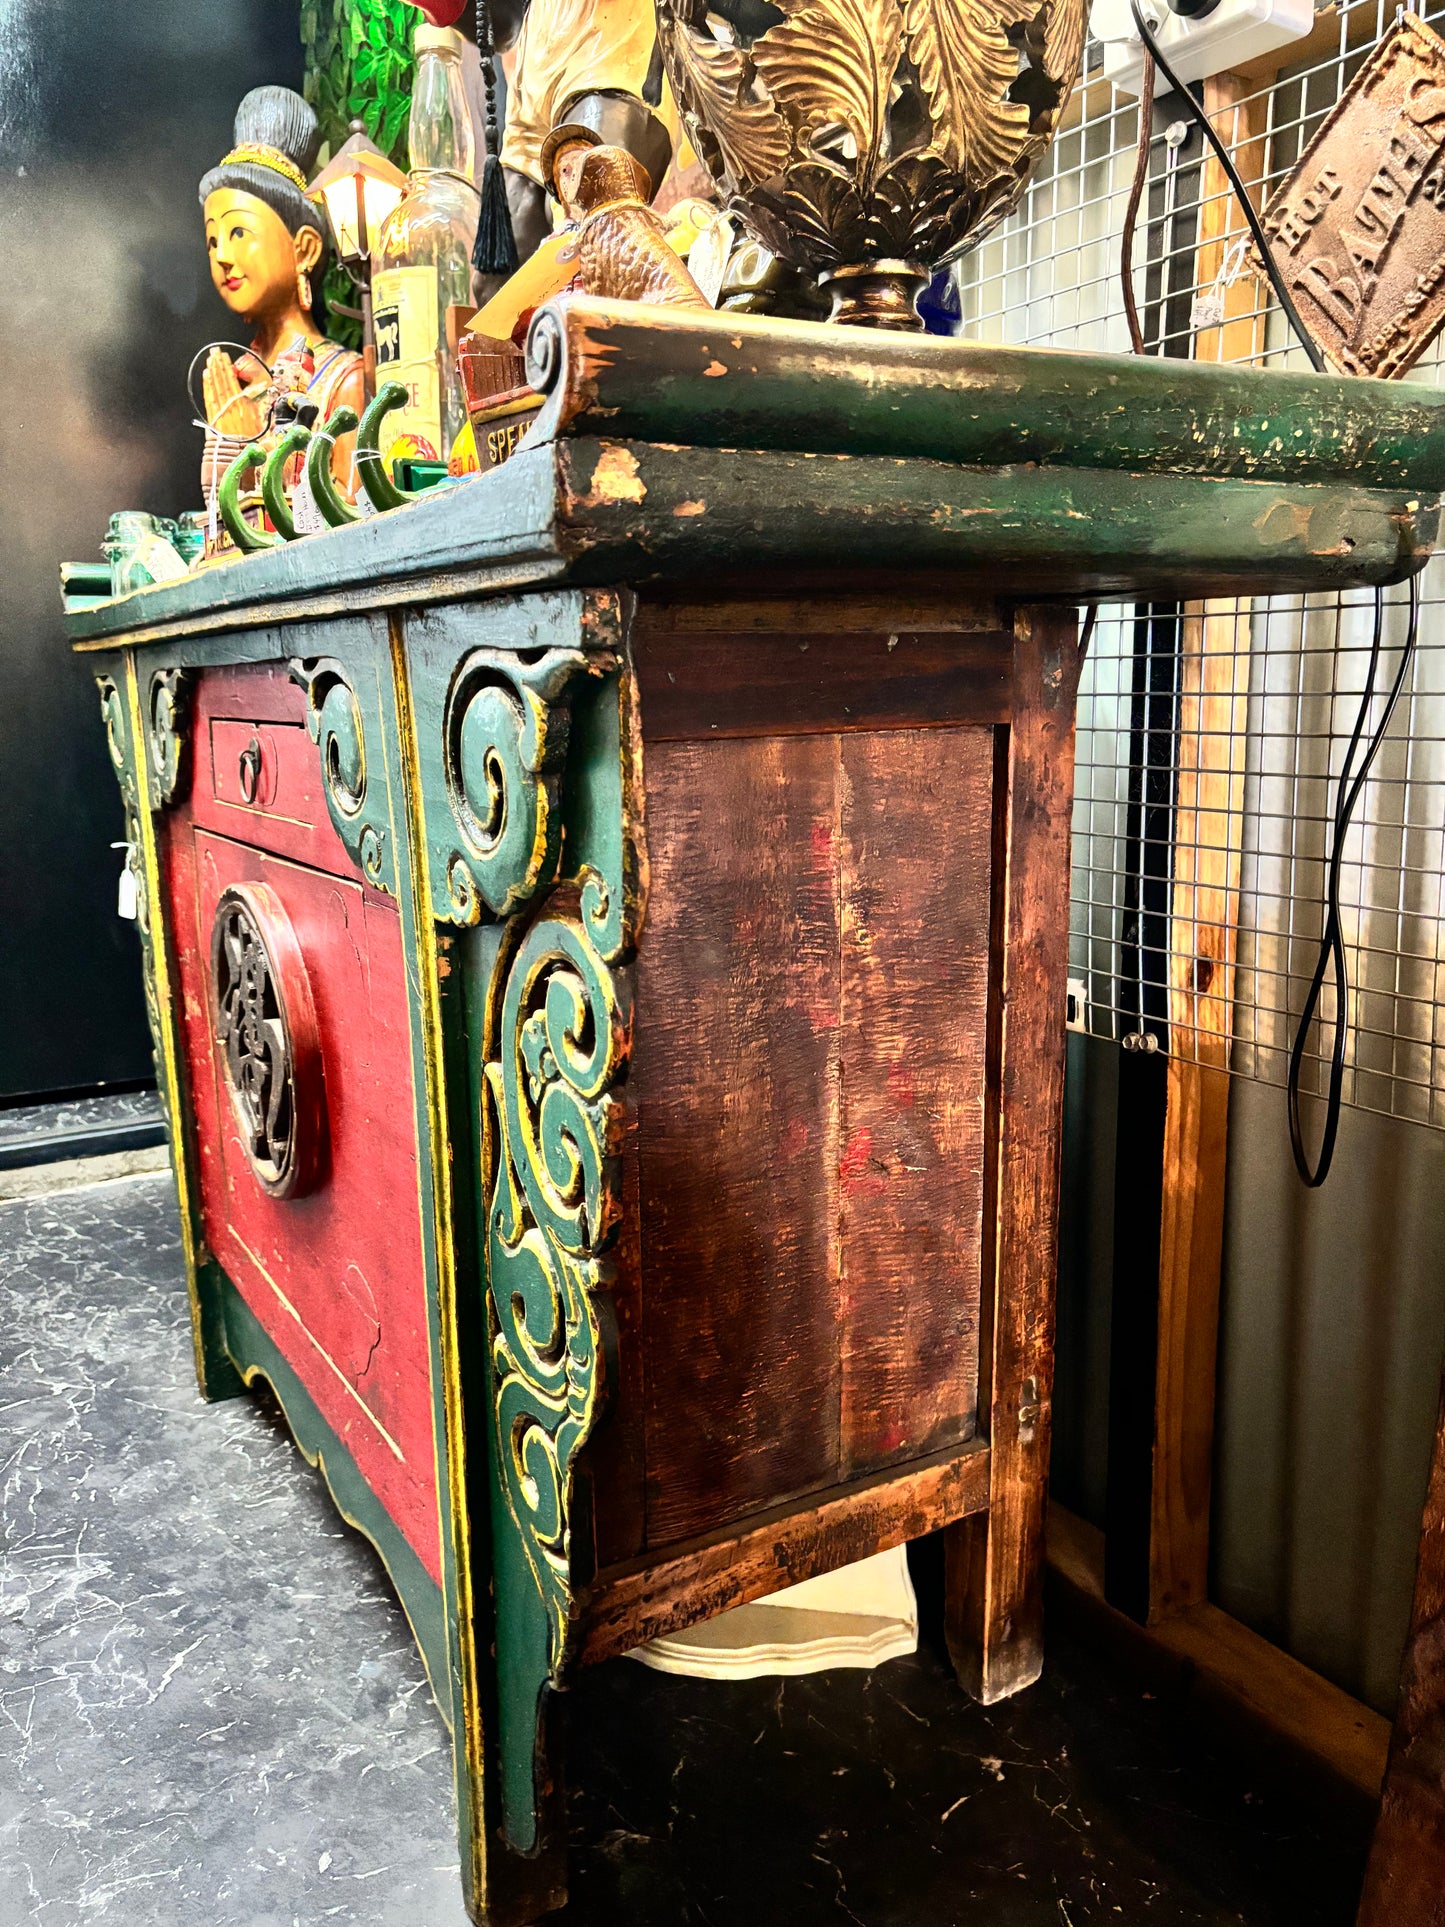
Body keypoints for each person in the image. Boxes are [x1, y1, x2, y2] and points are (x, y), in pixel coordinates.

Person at [198, 87, 365, 506]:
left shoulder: (343, 380)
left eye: (239, 233)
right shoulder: (234, 381)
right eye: (212, 240)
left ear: (304, 248)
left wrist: (250, 457)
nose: (222, 256)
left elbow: (352, 515)